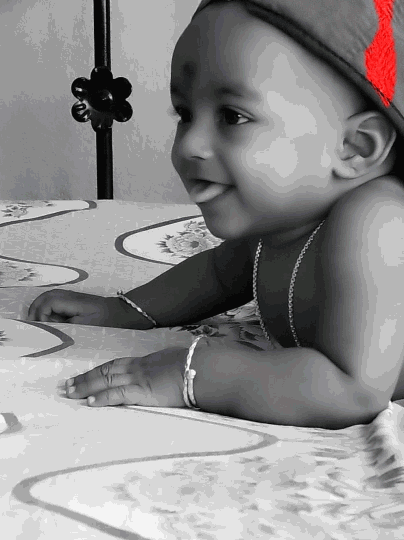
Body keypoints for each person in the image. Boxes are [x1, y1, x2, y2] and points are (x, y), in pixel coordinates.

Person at [27, 0, 404, 429]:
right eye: (185, 114)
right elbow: (219, 276)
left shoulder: (376, 222)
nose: (189, 144)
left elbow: (354, 391)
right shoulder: (281, 222)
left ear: (355, 148)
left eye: (232, 116)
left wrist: (193, 374)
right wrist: (127, 311)